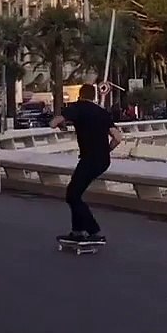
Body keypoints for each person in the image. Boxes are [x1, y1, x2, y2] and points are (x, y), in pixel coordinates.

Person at [50, 84, 125, 244]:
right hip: (103, 160)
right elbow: (118, 138)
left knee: (72, 195)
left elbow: (53, 123)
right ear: (94, 96)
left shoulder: (77, 108)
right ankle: (77, 231)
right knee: (75, 194)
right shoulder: (102, 113)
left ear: (80, 95)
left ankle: (93, 231)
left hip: (89, 158)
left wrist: (61, 124)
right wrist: (106, 150)